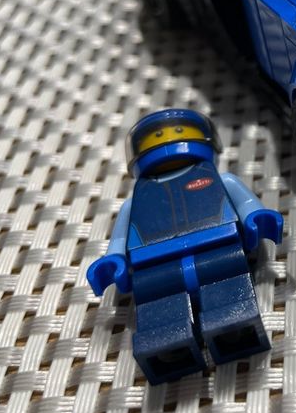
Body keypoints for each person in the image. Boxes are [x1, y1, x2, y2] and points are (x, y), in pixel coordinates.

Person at [87, 108, 282, 383]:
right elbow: (119, 239)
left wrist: (255, 217)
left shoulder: (221, 179)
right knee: (160, 315)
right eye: (157, 136)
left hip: (218, 248)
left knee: (229, 300)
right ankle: (168, 346)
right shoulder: (134, 202)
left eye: (178, 132)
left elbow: (246, 203)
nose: (167, 140)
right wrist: (115, 259)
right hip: (154, 265)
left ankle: (233, 329)